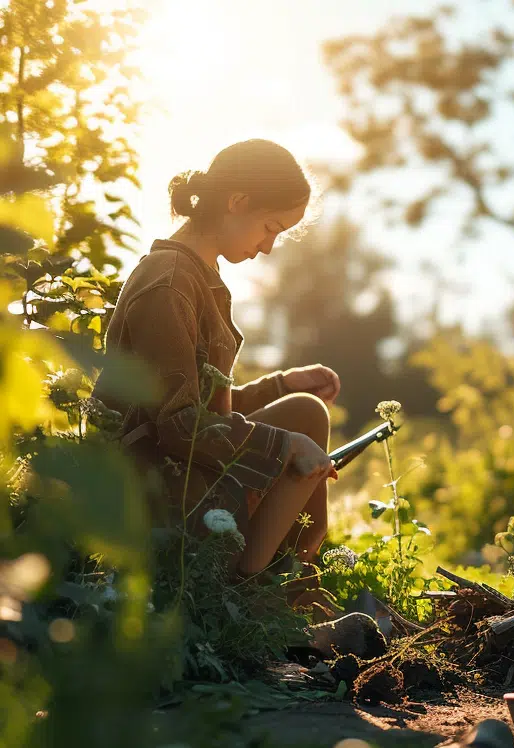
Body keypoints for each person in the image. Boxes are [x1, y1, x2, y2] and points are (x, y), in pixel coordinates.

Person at [94, 139, 344, 582]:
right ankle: (251, 593)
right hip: (156, 488)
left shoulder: (199, 276)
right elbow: (176, 426)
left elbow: (207, 407)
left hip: (187, 468)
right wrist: (284, 446)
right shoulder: (169, 283)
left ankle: (292, 576)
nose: (268, 246)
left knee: (305, 412)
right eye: (270, 227)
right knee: (295, 441)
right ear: (237, 202)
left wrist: (284, 386)